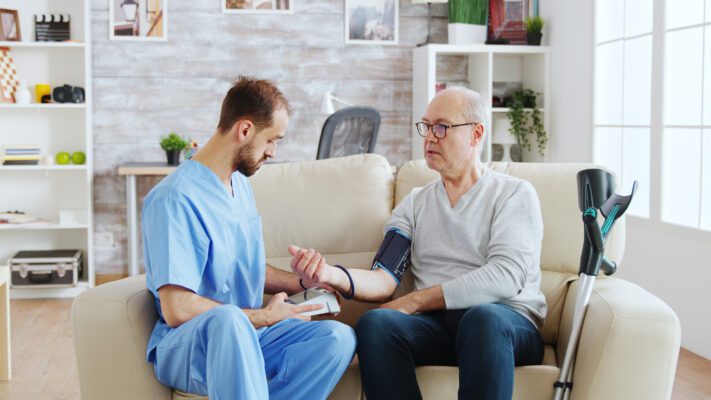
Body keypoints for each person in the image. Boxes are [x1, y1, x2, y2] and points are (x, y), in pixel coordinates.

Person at [289, 86, 547, 400]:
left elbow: (507, 276)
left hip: (505, 323)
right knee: (376, 324)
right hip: (440, 327)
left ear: (476, 133)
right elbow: (384, 278)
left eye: (442, 127)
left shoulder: (513, 194)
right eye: (426, 126)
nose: (429, 137)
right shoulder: (415, 204)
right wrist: (332, 275)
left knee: (482, 318)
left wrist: (415, 301)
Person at [142, 76, 356, 400]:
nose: (273, 151)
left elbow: (245, 267)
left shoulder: (239, 185)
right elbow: (177, 308)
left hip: (249, 332)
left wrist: (305, 285)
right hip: (191, 342)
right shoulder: (174, 200)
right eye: (272, 140)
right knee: (228, 321)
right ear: (244, 131)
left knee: (338, 339)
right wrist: (262, 317)